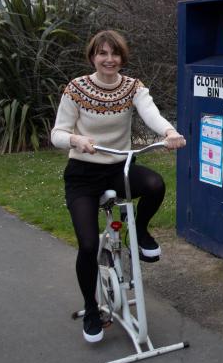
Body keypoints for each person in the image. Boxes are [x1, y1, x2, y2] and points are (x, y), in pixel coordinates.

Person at [51, 30, 186, 343]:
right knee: (86, 245)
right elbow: (57, 132)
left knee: (154, 184)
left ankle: (141, 232)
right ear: (93, 57)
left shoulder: (132, 87)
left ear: (122, 58)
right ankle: (91, 308)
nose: (109, 59)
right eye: (103, 54)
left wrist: (169, 131)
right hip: (82, 175)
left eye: (115, 54)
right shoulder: (77, 89)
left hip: (118, 168)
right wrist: (75, 139)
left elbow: (149, 111)